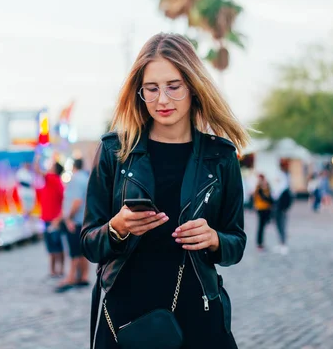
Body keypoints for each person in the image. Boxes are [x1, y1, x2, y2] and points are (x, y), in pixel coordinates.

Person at [81, 33, 247, 349]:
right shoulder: (116, 151)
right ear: (139, 91)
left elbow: (236, 242)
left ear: (193, 88)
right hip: (126, 320)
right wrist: (117, 228)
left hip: (199, 317)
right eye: (152, 89)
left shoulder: (221, 157)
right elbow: (89, 242)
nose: (162, 100)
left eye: (173, 86)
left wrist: (213, 239)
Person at [56, 158, 91, 292]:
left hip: (76, 221)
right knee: (82, 251)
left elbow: (77, 201)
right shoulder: (85, 178)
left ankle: (71, 278)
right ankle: (83, 277)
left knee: (74, 252)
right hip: (83, 220)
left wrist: (68, 218)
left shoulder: (76, 179)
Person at [37, 161, 66, 278]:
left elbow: (38, 170)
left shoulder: (53, 179)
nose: (49, 167)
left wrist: (37, 156)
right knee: (55, 246)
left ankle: (55, 270)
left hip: (52, 219)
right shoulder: (55, 181)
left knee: (54, 246)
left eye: (51, 166)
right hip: (51, 218)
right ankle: (57, 270)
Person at [272, 163, 292, 255]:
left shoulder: (284, 188)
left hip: (281, 208)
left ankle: (284, 244)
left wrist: (284, 207)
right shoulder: (277, 188)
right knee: (278, 225)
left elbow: (287, 197)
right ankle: (281, 243)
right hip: (276, 207)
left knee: (282, 225)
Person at [253, 174, 273, 251]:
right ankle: (259, 243)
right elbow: (265, 198)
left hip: (266, 209)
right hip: (261, 209)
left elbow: (269, 196)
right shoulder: (259, 188)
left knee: (263, 226)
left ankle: (261, 243)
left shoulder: (267, 187)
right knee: (261, 226)